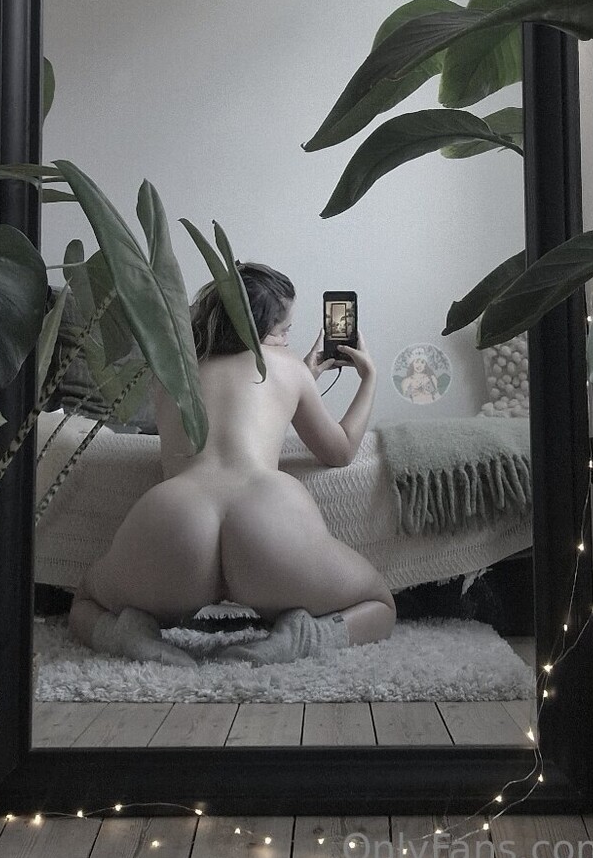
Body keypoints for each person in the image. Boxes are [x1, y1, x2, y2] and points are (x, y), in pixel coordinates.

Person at [68, 264, 396, 667]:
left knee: (86, 601)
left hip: (176, 519)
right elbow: (340, 451)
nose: (286, 340)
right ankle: (303, 635)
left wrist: (303, 373)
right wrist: (368, 378)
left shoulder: (171, 370)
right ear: (262, 330)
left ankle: (129, 632)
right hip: (267, 519)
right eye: (284, 330)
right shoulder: (289, 367)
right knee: (379, 603)